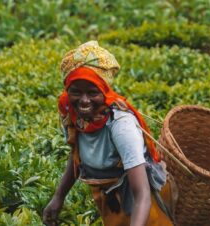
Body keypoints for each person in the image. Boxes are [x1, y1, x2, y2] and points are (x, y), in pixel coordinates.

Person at [43, 41, 177, 226]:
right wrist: (58, 197)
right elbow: (77, 156)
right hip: (110, 198)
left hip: (142, 207)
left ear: (104, 92)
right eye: (76, 92)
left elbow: (142, 195)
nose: (83, 100)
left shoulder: (121, 126)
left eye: (92, 92)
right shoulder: (73, 115)